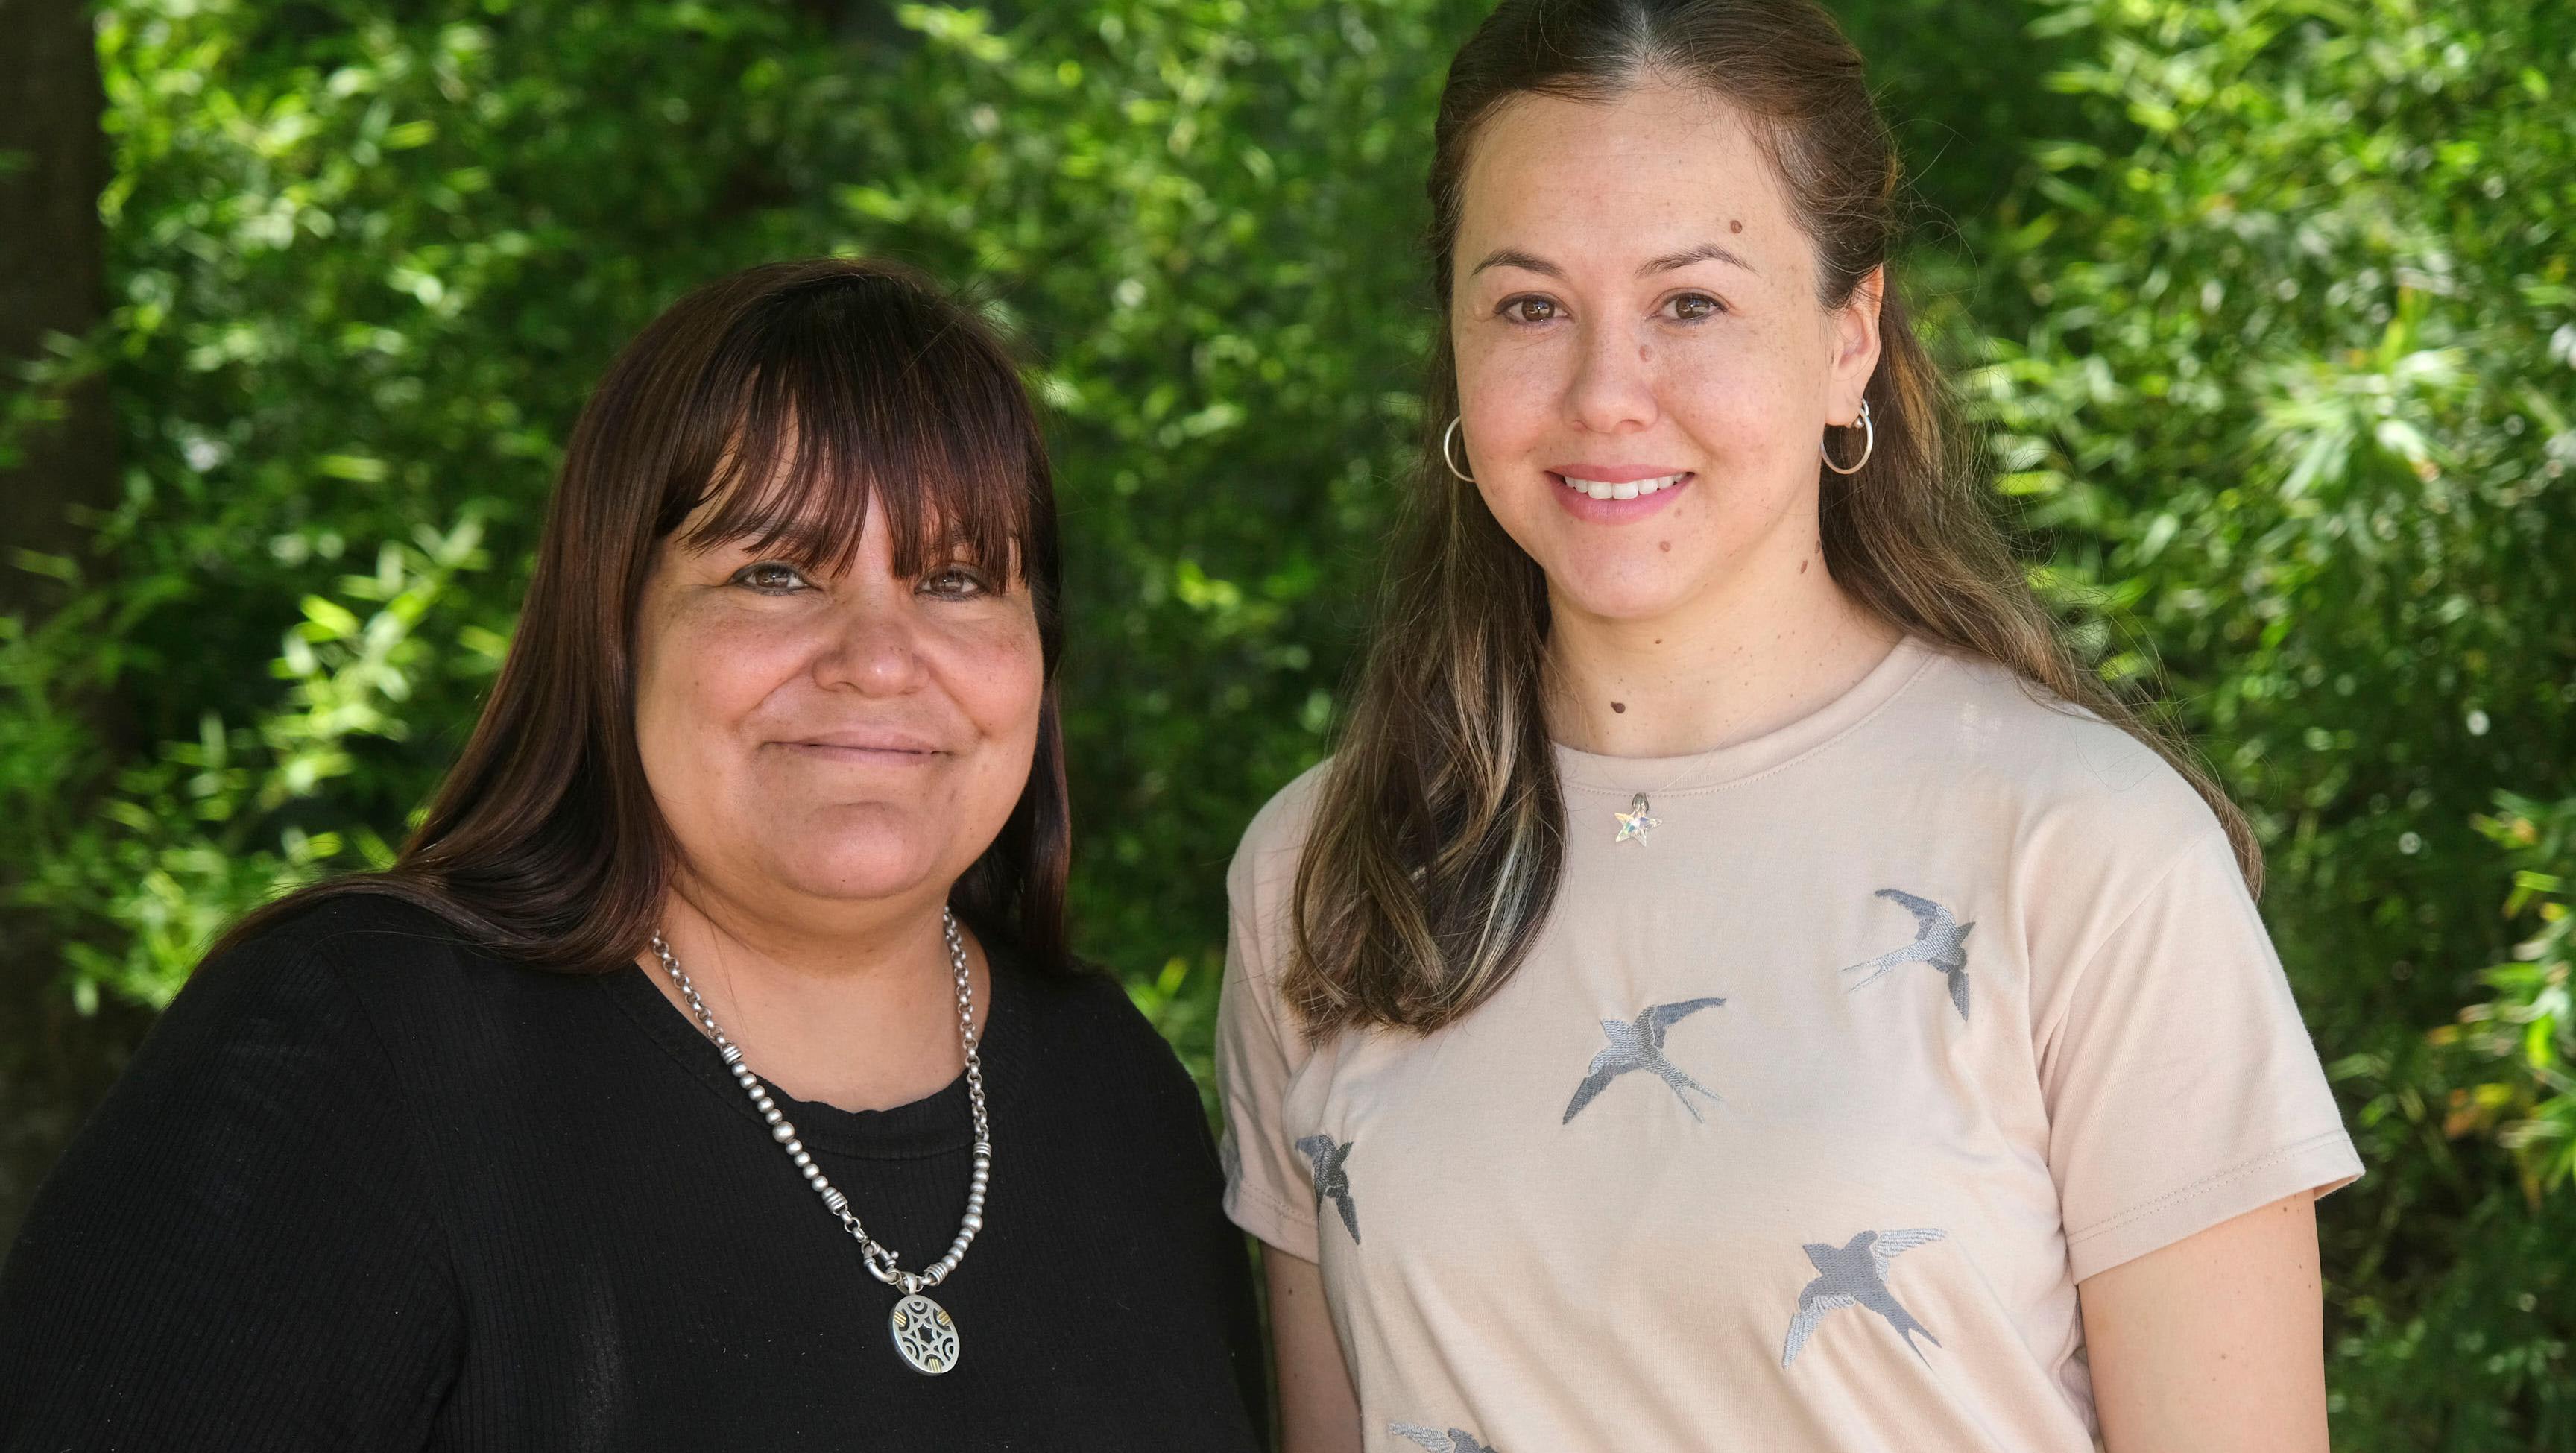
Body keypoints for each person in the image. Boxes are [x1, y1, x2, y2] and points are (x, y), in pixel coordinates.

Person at [1215, 2, 2361, 1450]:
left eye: (1691, 303)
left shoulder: (2088, 851)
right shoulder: (1323, 869)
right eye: (1528, 307)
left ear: (1849, 338)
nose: (1603, 393)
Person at [0, 258, 1266, 1449]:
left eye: (953, 580)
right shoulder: (359, 1048)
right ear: (613, 626)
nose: (878, 659)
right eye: (775, 571)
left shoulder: (1119, 1090)